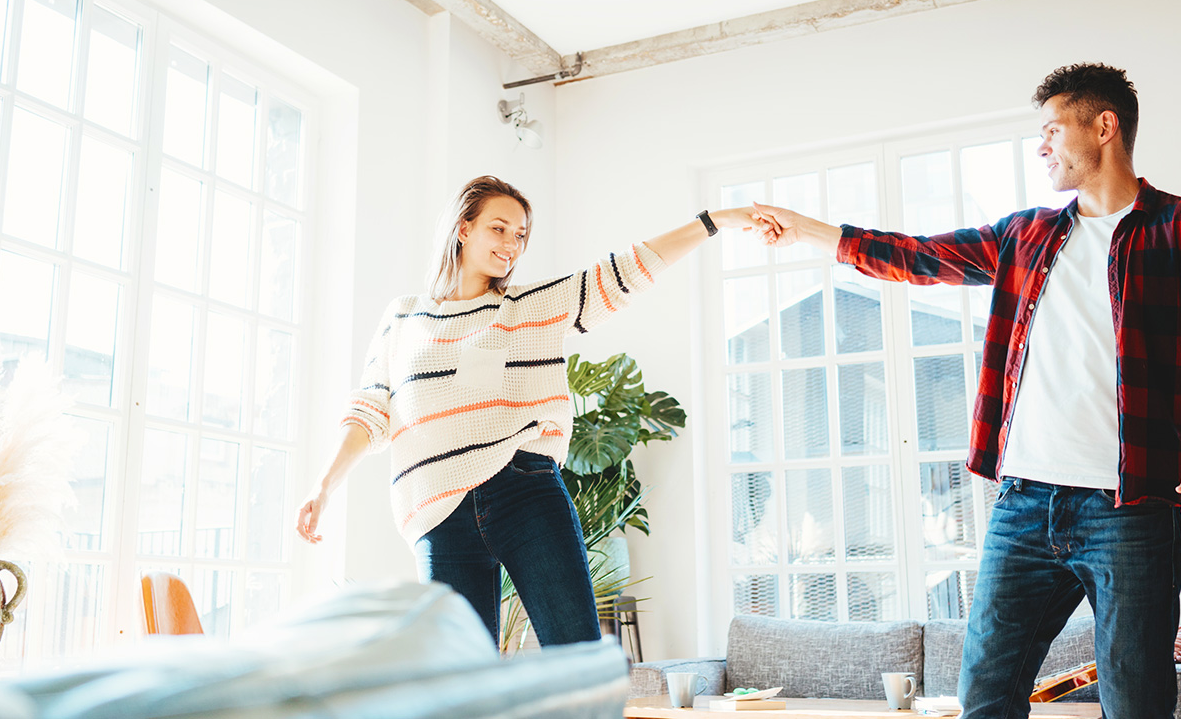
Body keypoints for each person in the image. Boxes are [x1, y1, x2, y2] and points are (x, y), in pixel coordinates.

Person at [751, 63, 1180, 719]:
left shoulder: (1172, 232)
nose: (1042, 146)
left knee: (1137, 701)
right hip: (1022, 504)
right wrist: (809, 229)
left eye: (1052, 129)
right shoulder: (1027, 237)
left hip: (1129, 508)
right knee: (984, 695)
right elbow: (917, 255)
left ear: (1104, 126)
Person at [296, 175, 765, 647]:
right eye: (498, 229)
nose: (511, 245)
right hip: (437, 507)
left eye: (520, 235)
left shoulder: (530, 306)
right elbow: (371, 409)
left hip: (522, 489)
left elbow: (625, 270)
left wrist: (712, 221)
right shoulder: (403, 317)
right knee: (464, 674)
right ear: (463, 228)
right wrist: (324, 486)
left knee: (574, 652)